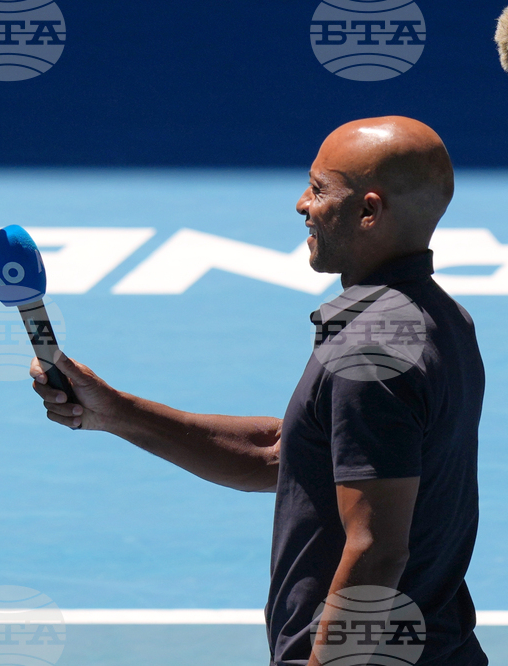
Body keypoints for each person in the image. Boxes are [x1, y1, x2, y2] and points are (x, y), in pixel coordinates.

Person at [30, 117, 487, 665]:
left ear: (368, 212)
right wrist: (118, 412)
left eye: (320, 189)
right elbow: (284, 455)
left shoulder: (369, 350)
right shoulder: (438, 319)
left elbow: (377, 549)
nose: (302, 204)